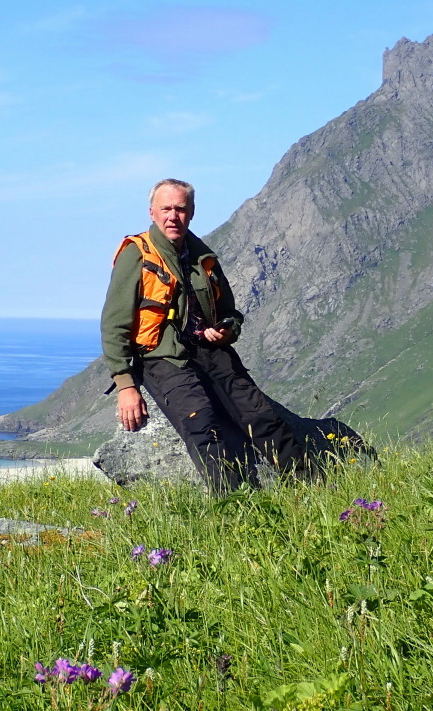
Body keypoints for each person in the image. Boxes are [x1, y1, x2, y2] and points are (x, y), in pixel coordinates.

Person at [101, 178, 310, 492]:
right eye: (166, 209)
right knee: (203, 423)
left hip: (211, 351)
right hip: (161, 356)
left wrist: (227, 329)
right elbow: (114, 323)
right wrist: (126, 385)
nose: (174, 216)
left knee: (263, 418)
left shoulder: (203, 257)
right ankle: (234, 505)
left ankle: (310, 489)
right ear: (152, 212)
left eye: (181, 209)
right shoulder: (137, 254)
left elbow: (230, 312)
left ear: (192, 212)